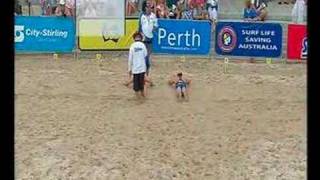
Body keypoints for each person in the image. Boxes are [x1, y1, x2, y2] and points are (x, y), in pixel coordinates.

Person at [139, 1, 158, 76]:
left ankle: (146, 73)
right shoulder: (141, 15)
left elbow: (156, 26)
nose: (149, 8)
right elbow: (139, 27)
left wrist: (154, 28)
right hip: (143, 39)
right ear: (145, 8)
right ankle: (143, 72)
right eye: (148, 7)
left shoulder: (153, 16)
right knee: (143, 56)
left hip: (150, 39)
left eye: (151, 7)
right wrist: (139, 36)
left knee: (147, 56)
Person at [128, 32, 149, 98]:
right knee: (142, 84)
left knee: (136, 87)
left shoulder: (132, 46)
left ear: (134, 38)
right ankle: (143, 96)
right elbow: (146, 58)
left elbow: (130, 59)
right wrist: (147, 68)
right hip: (142, 68)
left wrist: (129, 69)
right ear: (141, 38)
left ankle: (138, 98)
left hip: (135, 69)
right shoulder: (143, 45)